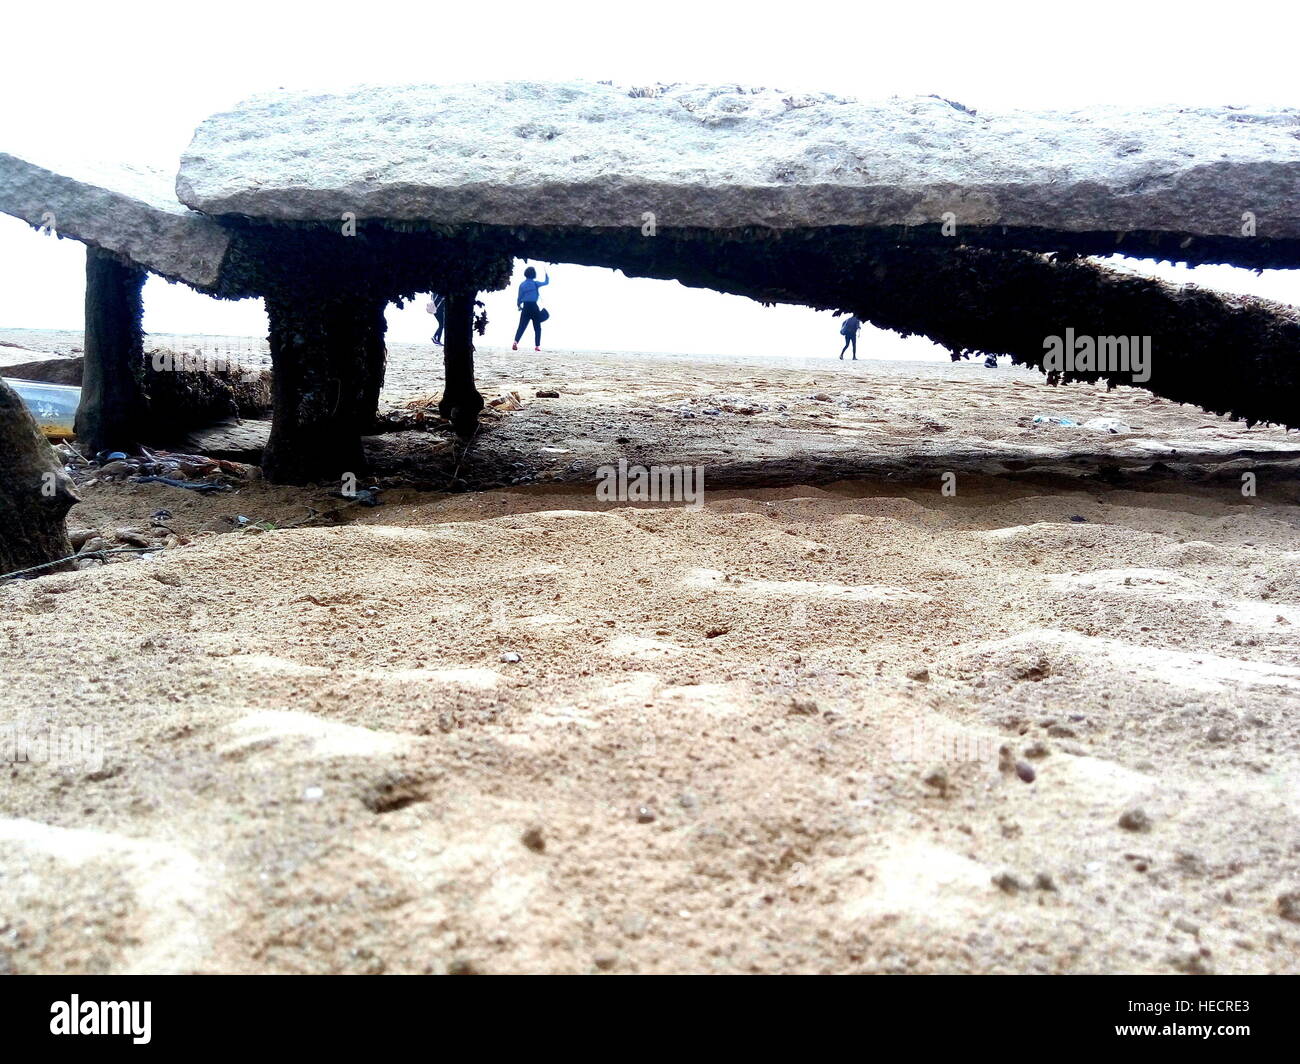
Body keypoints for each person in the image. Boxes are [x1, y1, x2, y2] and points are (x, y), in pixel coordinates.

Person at [513, 266, 550, 351]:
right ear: (534, 274)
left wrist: (519, 306)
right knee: (537, 327)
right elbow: (546, 282)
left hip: (525, 307)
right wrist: (546, 274)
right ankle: (537, 346)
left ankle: (515, 342)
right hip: (534, 307)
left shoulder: (522, 285)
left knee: (521, 327)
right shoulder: (535, 283)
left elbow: (519, 297)